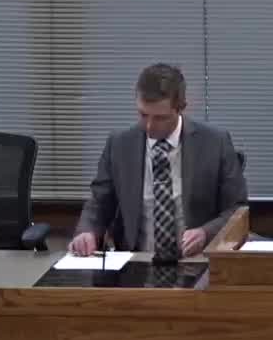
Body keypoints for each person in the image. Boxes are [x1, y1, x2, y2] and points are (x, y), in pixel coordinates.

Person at [70, 64, 248, 259]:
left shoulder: (215, 143)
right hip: (137, 262)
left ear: (181, 108)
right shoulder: (119, 144)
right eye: (143, 115)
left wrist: (206, 233)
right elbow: (99, 202)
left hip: (196, 261)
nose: (149, 126)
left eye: (160, 118)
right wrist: (87, 231)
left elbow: (237, 210)